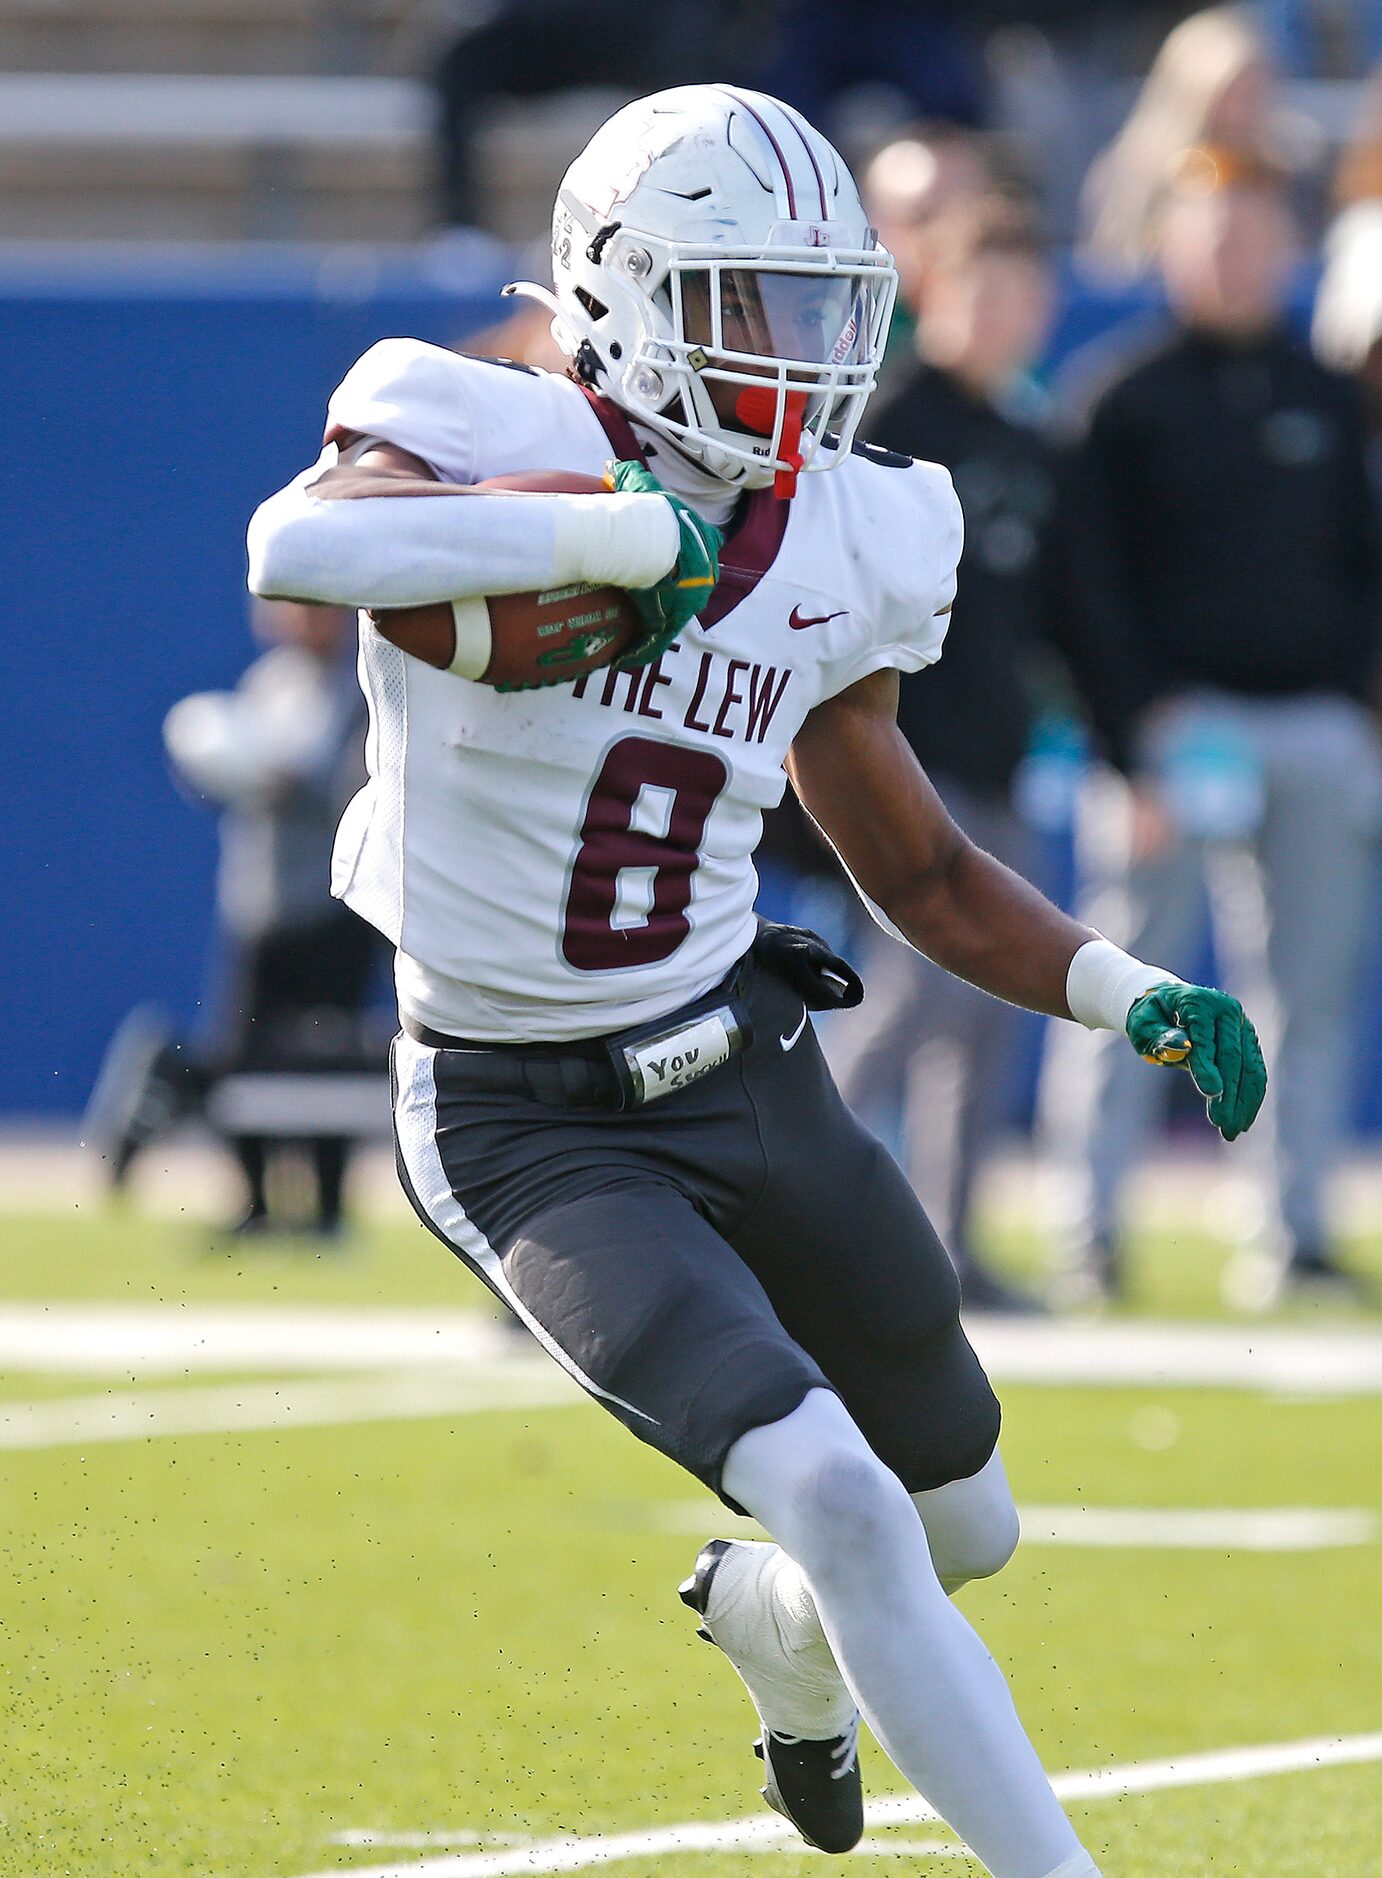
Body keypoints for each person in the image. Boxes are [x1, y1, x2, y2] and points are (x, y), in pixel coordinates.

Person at [246, 85, 1264, 1876]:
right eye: (743, 306)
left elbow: (922, 864)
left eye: (818, 309)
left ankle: (779, 1624)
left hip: (738, 1056)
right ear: (620, 291)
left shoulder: (855, 531)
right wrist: (600, 536)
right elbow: (298, 547)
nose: (795, 359)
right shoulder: (483, 426)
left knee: (960, 1523)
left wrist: (1117, 987)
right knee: (842, 1490)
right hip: (523, 1114)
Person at [1047, 144, 1380, 1306]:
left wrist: (1362, 708)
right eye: (1211, 232)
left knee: (1308, 993)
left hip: (1311, 728)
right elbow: (1085, 590)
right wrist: (1128, 737)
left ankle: (1290, 1235)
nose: (1234, 255)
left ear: (1284, 248)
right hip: (1175, 739)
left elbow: (1362, 564)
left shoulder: (1325, 394)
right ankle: (1086, 1233)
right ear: (1169, 245)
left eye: (1252, 231)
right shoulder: (1121, 398)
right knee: (1124, 989)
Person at [826, 195, 1059, 1314]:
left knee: (984, 1012)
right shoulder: (888, 427)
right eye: (984, 292)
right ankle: (790, 1205)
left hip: (995, 762)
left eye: (1022, 295)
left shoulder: (1026, 440)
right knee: (910, 999)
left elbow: (1065, 614)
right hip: (898, 759)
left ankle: (944, 1250)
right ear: (939, 298)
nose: (1003, 316)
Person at [93, 600, 384, 1237]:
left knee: (323, 1056)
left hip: (335, 906)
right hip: (262, 900)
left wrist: (288, 779)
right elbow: (238, 779)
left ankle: (326, 1210)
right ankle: (255, 1202)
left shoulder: (365, 685)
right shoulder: (270, 684)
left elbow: (361, 786)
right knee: (244, 1053)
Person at [1078, 5, 1283, 277]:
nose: (1241, 113)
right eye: (1229, 96)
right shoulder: (1133, 172)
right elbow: (1108, 268)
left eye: (1252, 95)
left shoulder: (1286, 172)